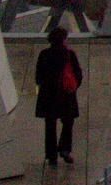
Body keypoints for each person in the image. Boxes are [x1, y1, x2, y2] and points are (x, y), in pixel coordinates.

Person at [34, 26, 82, 167]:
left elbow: (38, 76)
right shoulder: (69, 54)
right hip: (66, 95)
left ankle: (51, 155)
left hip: (48, 96)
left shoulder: (44, 54)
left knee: (50, 125)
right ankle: (64, 148)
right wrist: (72, 86)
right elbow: (78, 74)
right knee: (68, 122)